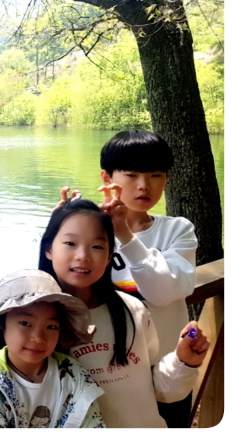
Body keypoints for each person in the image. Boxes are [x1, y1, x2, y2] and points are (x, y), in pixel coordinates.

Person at [38, 200, 208, 428]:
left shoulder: (132, 310)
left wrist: (183, 362)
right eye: (70, 243)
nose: (83, 256)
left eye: (97, 246)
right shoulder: (35, 320)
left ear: (110, 256)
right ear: (48, 249)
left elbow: (156, 388)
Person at [98, 130, 198, 427]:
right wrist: (57, 232)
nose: (145, 186)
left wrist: (126, 237)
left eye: (156, 175)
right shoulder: (90, 231)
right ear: (107, 178)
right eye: (131, 175)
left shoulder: (177, 230)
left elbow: (163, 292)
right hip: (110, 372)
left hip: (169, 367)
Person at [0, 269, 105, 428]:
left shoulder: (71, 373)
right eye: (25, 323)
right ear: (0, 323)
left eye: (51, 326)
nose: (39, 338)